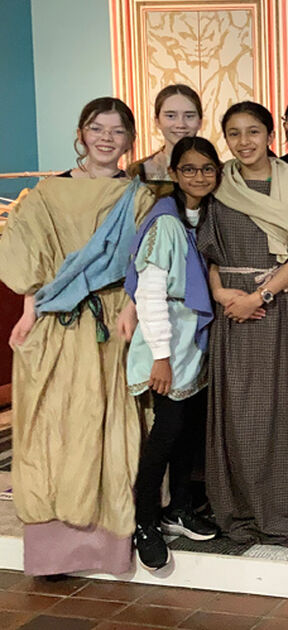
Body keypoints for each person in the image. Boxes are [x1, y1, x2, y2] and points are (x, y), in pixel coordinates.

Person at [0, 97, 154, 576]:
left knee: (107, 425)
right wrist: (28, 311)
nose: (106, 138)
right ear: (81, 133)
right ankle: (53, 552)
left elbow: (146, 260)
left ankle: (106, 548)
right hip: (58, 322)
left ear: (130, 140)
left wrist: (131, 309)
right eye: (96, 128)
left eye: (117, 130)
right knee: (53, 425)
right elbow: (33, 252)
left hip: (112, 320)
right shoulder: (48, 193)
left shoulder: (139, 196)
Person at [198, 101, 288, 546]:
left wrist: (261, 296)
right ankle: (239, 509)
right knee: (239, 413)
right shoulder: (218, 187)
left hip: (282, 307)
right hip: (233, 311)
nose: (244, 142)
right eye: (234, 133)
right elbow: (208, 253)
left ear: (270, 135)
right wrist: (221, 294)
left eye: (253, 131)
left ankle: (286, 509)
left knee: (287, 410)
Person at [126, 137, 225, 570]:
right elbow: (149, 292)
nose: (199, 177)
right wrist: (161, 356)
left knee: (188, 430)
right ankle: (144, 521)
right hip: (167, 338)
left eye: (207, 169)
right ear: (174, 173)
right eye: (189, 169)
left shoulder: (206, 216)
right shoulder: (166, 221)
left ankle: (179, 508)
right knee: (165, 434)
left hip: (193, 340)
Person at [128, 84, 203, 197]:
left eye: (189, 116)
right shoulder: (137, 171)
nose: (180, 124)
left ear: (200, 122)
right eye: (171, 116)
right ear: (157, 121)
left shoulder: (218, 171)